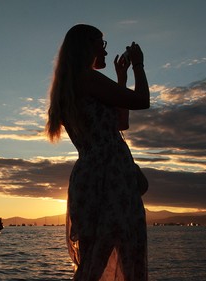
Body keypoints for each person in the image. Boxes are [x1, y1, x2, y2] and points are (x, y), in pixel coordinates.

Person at [46, 24, 150, 281]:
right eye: (100, 43)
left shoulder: (72, 85)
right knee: (125, 246)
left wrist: (121, 78)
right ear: (87, 47)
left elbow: (120, 123)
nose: (104, 50)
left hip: (92, 175)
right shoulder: (88, 79)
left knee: (96, 254)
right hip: (110, 176)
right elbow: (142, 101)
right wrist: (138, 65)